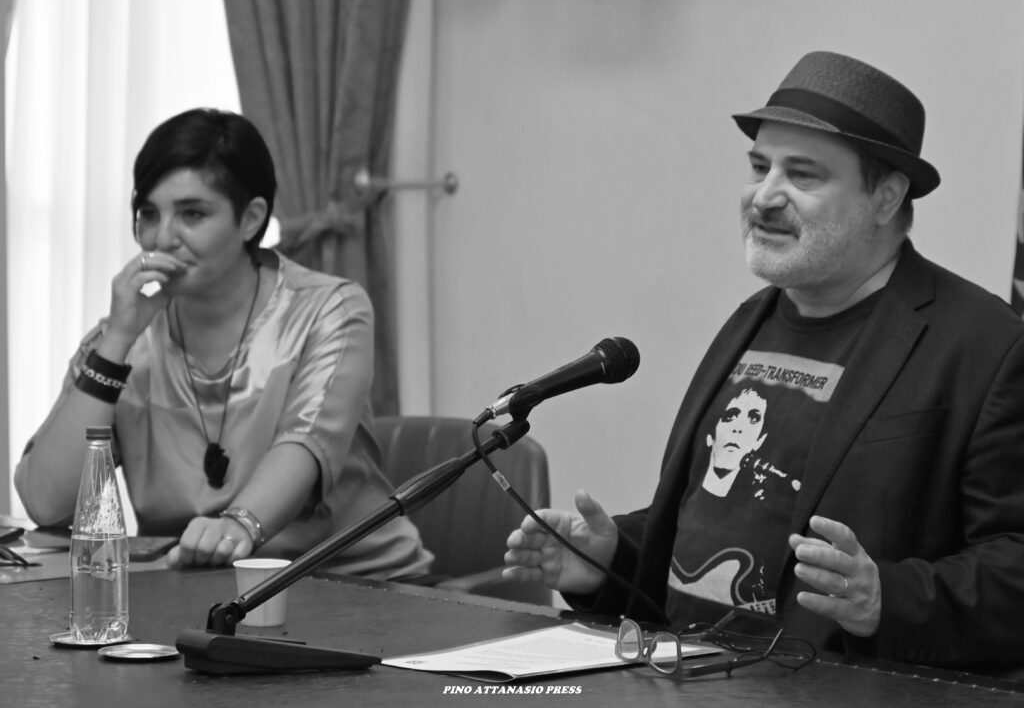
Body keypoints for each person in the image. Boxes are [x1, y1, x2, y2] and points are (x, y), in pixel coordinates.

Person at [503, 51, 1024, 671]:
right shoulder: (751, 319)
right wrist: (611, 559)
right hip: (683, 676)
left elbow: (1014, 560)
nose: (765, 196)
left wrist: (889, 598)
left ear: (886, 196)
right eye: (759, 167)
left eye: (802, 175)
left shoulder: (984, 344)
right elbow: (729, 516)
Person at [15, 108, 433, 579]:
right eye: (148, 214)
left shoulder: (329, 308)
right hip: (199, 587)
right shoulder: (125, 338)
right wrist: (114, 345)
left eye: (192, 214)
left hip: (353, 583)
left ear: (250, 219)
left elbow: (304, 444)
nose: (162, 238)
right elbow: (47, 504)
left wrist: (237, 525)